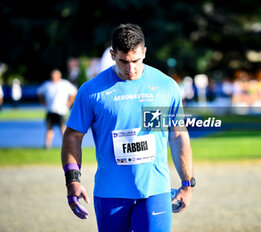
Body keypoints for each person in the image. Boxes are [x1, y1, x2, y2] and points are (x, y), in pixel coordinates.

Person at [61, 24, 195, 232]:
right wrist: (72, 180)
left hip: (155, 190)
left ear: (144, 52)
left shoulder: (165, 86)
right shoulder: (91, 91)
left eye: (136, 60)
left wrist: (187, 184)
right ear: (113, 54)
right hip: (110, 193)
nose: (130, 69)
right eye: (123, 61)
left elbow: (178, 135)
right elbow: (73, 136)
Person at [37, 69, 77, 149]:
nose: (53, 77)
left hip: (61, 110)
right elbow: (39, 92)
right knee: (49, 128)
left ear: (59, 76)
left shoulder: (64, 84)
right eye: (52, 75)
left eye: (55, 75)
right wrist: (43, 101)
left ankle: (66, 145)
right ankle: (47, 145)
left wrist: (69, 103)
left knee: (63, 128)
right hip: (50, 110)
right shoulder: (47, 84)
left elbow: (74, 92)